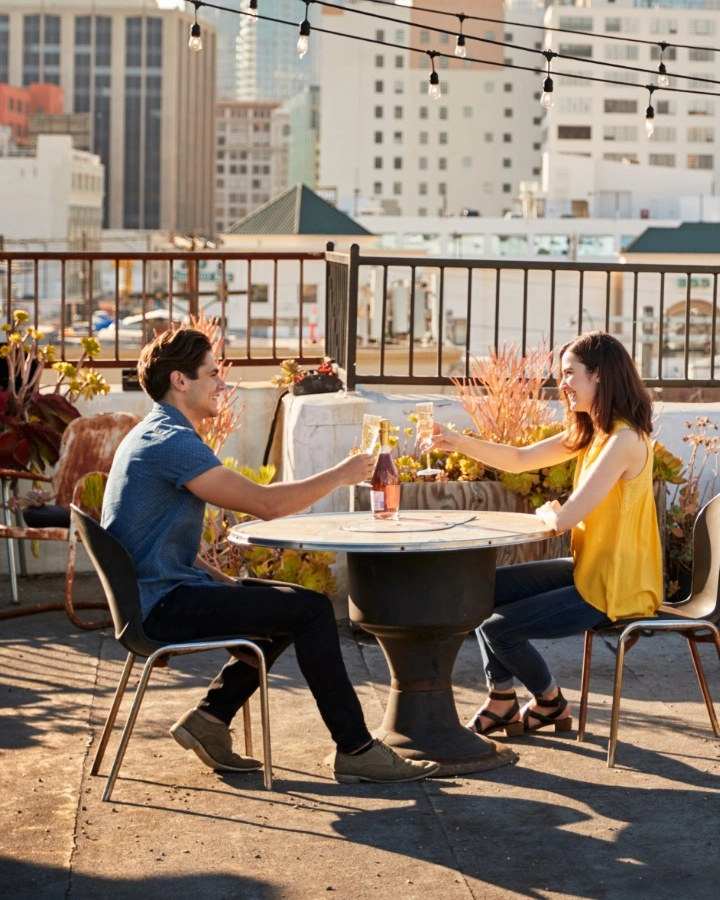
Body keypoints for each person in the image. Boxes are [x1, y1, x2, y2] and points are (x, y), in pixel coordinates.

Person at [100, 328, 434, 784]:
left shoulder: (154, 432)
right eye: (212, 374)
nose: (222, 384)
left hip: (155, 595)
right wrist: (341, 473)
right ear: (180, 380)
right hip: (160, 607)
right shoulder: (171, 442)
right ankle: (356, 749)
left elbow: (151, 538)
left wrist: (224, 581)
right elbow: (266, 505)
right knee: (312, 611)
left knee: (281, 604)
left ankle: (210, 719)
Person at [420, 331, 661, 736]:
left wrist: (551, 510)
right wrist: (455, 440)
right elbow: (519, 460)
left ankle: (549, 701)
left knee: (498, 627)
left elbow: (565, 519)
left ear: (599, 375)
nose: (561, 383)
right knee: (482, 590)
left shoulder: (623, 440)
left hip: (617, 585)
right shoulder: (594, 432)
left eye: (570, 373)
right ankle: (503, 699)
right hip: (591, 569)